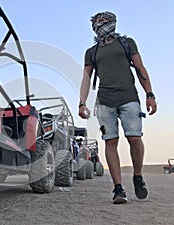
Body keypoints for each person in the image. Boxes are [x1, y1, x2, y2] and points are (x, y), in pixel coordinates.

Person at [78, 11, 157, 204]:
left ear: (113, 22)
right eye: (97, 21)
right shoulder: (92, 51)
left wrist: (150, 94)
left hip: (129, 97)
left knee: (135, 138)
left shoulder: (127, 42)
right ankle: (118, 189)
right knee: (110, 142)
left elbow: (140, 68)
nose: (100, 23)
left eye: (104, 20)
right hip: (105, 101)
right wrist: (82, 102)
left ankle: (138, 176)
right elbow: (86, 79)